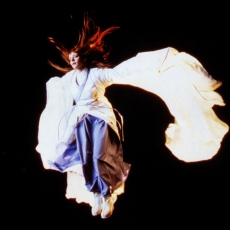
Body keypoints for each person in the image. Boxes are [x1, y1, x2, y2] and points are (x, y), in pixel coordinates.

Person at [36, 15, 229, 219]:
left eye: (76, 57)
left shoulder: (97, 74)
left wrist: (151, 67)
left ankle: (106, 193)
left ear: (84, 56)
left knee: (99, 155)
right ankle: (96, 194)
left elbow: (120, 74)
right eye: (71, 58)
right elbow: (58, 91)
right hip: (80, 120)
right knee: (86, 157)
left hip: (100, 117)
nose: (73, 61)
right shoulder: (70, 79)